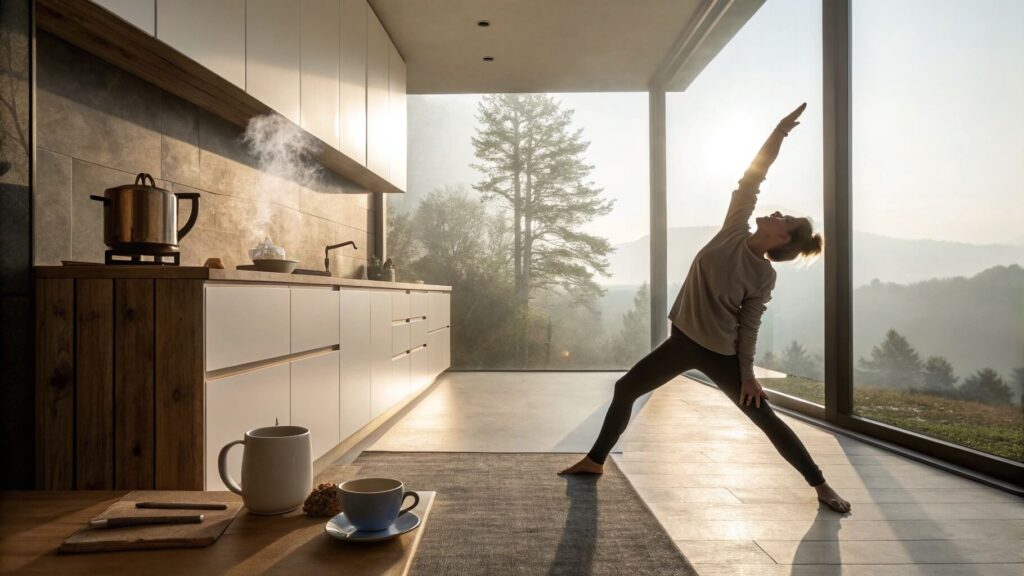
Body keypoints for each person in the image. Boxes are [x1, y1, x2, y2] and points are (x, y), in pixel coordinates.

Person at [559, 103, 851, 514]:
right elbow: (752, 178)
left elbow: (748, 327)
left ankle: (820, 484)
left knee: (763, 417)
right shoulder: (735, 228)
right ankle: (595, 462)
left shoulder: (764, 276)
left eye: (783, 218)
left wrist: (747, 376)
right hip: (682, 341)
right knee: (625, 389)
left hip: (720, 353)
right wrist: (778, 133)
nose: (777, 212)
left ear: (783, 237)